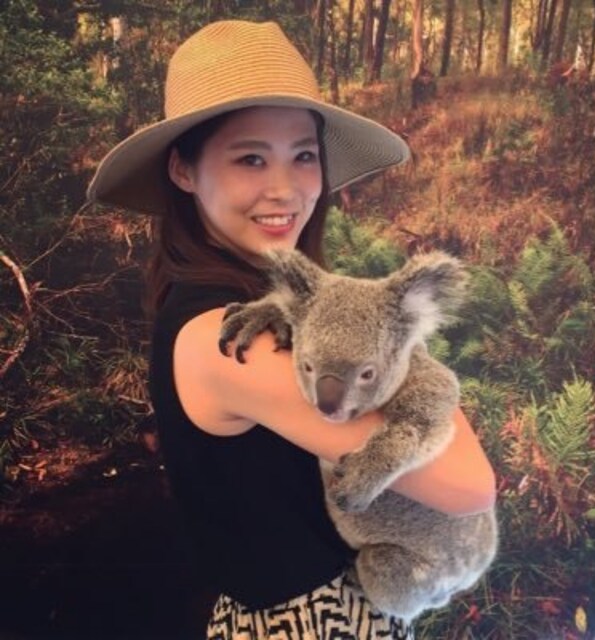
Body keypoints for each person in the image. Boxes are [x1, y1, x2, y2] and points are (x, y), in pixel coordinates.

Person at [88, 20, 496, 640]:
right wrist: (392, 333)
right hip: (314, 622)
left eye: (304, 156)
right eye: (250, 158)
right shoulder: (225, 338)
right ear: (183, 170)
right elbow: (468, 485)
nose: (284, 189)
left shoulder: (254, 301)